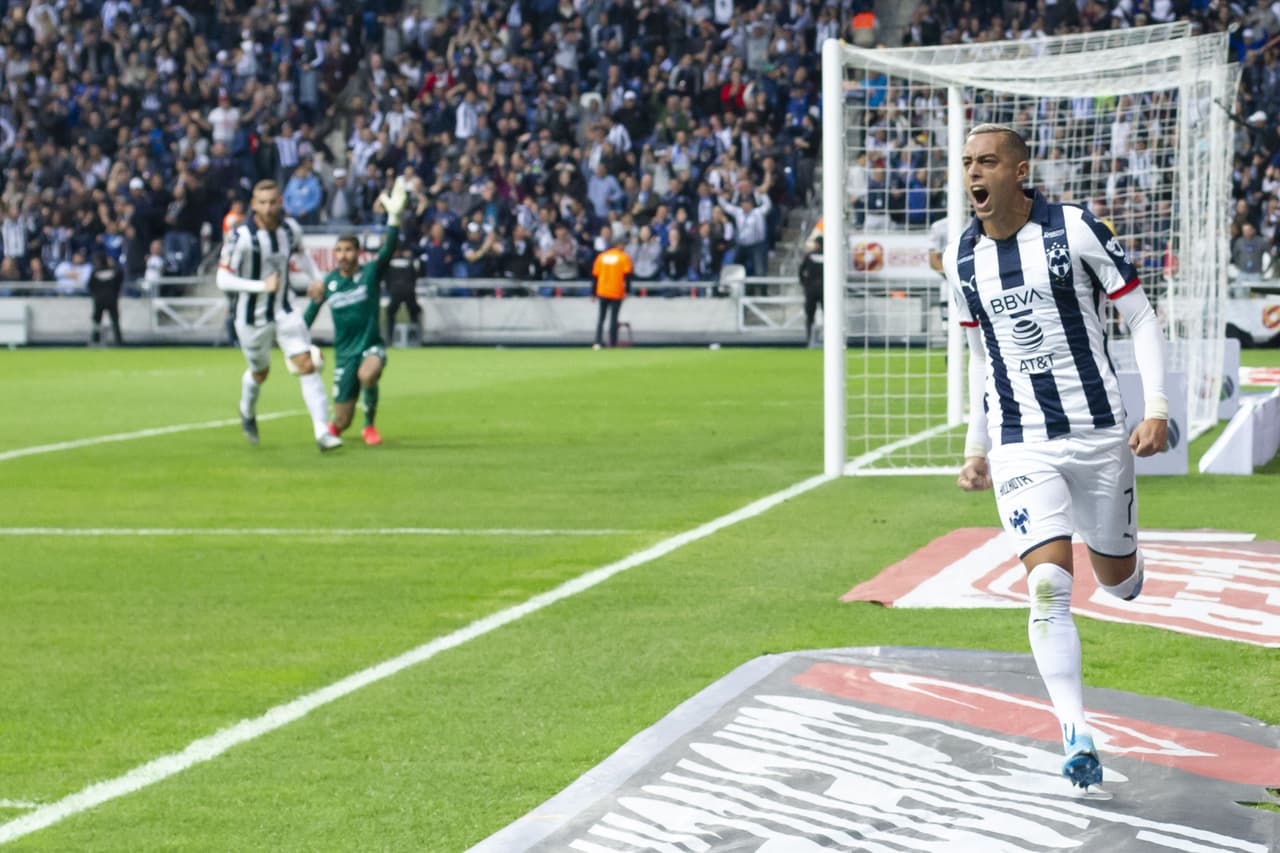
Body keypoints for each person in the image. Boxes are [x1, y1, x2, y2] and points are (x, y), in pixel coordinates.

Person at [943, 124, 1168, 792]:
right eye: (965, 165)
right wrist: (977, 446)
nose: (973, 175)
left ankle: (1125, 556)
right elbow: (983, 358)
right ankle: (1076, 733)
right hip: (1022, 441)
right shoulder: (962, 260)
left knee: (1116, 578)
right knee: (1047, 585)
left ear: (1018, 171)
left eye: (985, 162)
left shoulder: (1075, 229)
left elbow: (1142, 315)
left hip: (1101, 433)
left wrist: (1155, 407)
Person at [217, 179, 341, 451]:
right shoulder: (241, 236)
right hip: (251, 317)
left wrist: (316, 278)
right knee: (260, 373)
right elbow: (222, 279)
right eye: (263, 203)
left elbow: (303, 256)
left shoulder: (290, 229)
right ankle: (247, 411)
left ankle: (322, 432)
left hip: (285, 309)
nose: (269, 207)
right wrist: (261, 286)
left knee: (306, 364)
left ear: (281, 202)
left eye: (273, 202)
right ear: (253, 205)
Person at [303, 177, 408, 446]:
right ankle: (335, 430)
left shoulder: (369, 274)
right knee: (341, 421)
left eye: (348, 250)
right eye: (338, 250)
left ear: (357, 253)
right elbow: (308, 318)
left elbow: (387, 251)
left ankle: (369, 426)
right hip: (344, 354)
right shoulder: (328, 283)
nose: (343, 255)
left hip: (370, 345)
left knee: (368, 374)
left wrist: (393, 220)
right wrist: (298, 344)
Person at [591, 238, 632, 349]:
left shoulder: (601, 257)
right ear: (618, 245)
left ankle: (597, 341)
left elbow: (595, 276)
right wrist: (627, 291)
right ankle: (612, 343)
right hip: (616, 291)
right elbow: (627, 276)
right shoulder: (623, 257)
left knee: (601, 318)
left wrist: (593, 293)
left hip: (602, 290)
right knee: (613, 318)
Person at [383, 241, 423, 342]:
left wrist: (390, 290)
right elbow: (414, 277)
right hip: (409, 291)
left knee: (390, 313)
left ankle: (389, 338)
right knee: (414, 313)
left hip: (395, 291)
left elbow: (386, 278)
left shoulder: (389, 262)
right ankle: (415, 338)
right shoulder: (409, 261)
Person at [88, 250, 124, 346]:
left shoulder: (95, 272)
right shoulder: (114, 271)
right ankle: (118, 341)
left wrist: (96, 293)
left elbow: (90, 285)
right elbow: (120, 280)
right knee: (115, 321)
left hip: (99, 299)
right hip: (112, 299)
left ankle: (95, 340)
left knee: (97, 320)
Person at [798, 234, 824, 348]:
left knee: (810, 317)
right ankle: (828, 340)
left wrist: (804, 283)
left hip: (811, 289)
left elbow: (800, 271)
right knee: (828, 316)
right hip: (825, 289)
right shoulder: (831, 256)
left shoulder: (809, 256)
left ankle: (809, 340)